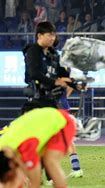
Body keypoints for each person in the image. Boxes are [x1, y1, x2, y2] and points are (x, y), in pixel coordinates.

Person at [23, 21, 83, 178]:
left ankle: (47, 175)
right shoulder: (32, 52)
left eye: (53, 35)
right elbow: (33, 73)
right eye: (49, 35)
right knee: (34, 138)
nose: (52, 38)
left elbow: (63, 74)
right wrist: (55, 82)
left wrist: (77, 85)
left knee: (51, 137)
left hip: (51, 101)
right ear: (39, 36)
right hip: (35, 101)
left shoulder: (54, 54)